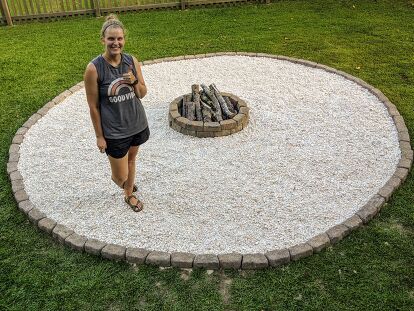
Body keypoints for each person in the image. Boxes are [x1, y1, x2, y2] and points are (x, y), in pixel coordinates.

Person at [84, 14, 149, 212]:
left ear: (124, 40)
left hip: (137, 124)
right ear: (102, 40)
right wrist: (99, 136)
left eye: (119, 38)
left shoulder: (131, 61)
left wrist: (134, 81)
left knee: (131, 160)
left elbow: (143, 93)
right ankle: (125, 184)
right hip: (114, 132)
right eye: (111, 39)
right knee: (119, 176)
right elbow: (94, 106)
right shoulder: (94, 69)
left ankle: (128, 194)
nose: (115, 43)